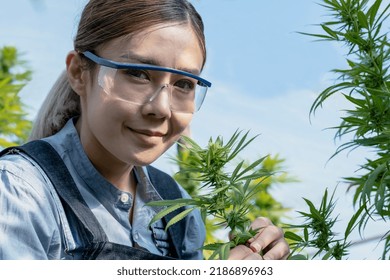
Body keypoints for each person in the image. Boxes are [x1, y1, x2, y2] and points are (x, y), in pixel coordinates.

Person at [0, 0, 289, 260]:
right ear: (79, 73)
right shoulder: (20, 194)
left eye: (184, 84)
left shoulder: (175, 209)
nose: (161, 108)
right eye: (137, 74)